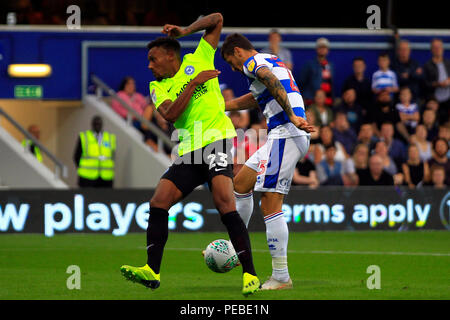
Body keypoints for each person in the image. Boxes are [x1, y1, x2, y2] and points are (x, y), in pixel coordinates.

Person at [119, 13, 260, 297]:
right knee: (158, 201)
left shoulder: (200, 57)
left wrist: (185, 30)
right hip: (188, 150)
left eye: (153, 59)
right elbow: (171, 114)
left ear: (171, 57)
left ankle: (250, 275)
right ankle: (152, 270)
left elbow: (217, 19)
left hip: (216, 142)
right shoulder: (157, 87)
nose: (149, 65)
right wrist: (195, 83)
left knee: (223, 202)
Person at [220, 32, 315, 290]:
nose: (233, 68)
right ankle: (235, 245)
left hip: (287, 131)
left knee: (270, 202)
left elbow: (269, 80)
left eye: (231, 61)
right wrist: (223, 106)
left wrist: (292, 116)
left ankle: (281, 277)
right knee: (240, 184)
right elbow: (258, 95)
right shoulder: (270, 59)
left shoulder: (253, 63)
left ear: (238, 52)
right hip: (281, 134)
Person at [73, 116, 116, 188]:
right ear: (92, 125)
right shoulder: (84, 137)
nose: (97, 126)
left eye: (99, 124)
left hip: (106, 178)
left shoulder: (110, 138)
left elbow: (112, 156)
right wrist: (83, 169)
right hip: (87, 178)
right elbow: (76, 156)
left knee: (104, 198)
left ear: (102, 125)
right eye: (95, 124)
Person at [299, 37, 334, 106]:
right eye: (320, 47)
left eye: (324, 47)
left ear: (327, 50)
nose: (322, 49)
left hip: (326, 102)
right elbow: (301, 82)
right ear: (317, 49)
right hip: (311, 101)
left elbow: (331, 83)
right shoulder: (309, 64)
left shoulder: (330, 65)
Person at [423, 38, 450, 124]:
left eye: (439, 47)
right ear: (431, 50)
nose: (438, 49)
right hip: (434, 98)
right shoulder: (427, 65)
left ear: (443, 48)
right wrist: (438, 84)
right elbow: (425, 84)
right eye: (435, 47)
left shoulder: (448, 63)